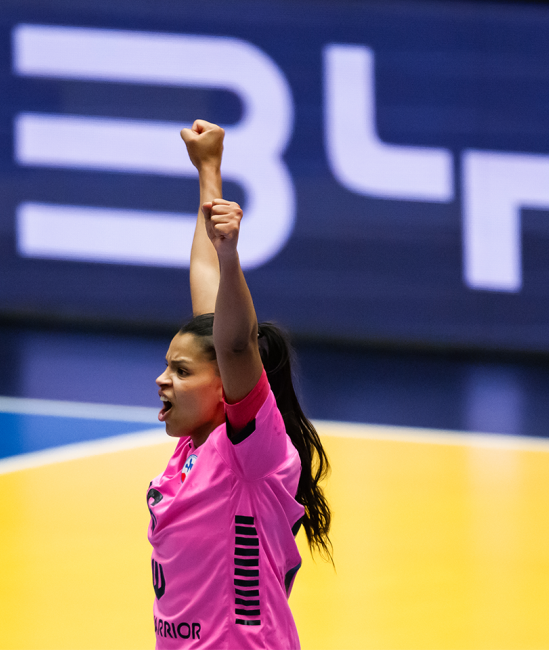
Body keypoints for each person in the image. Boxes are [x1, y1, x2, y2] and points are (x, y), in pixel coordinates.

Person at [146, 119, 331, 649]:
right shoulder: (193, 445)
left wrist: (232, 255)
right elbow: (210, 311)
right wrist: (209, 171)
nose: (163, 380)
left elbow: (232, 343)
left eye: (181, 372)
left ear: (225, 387)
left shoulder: (249, 452)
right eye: (168, 365)